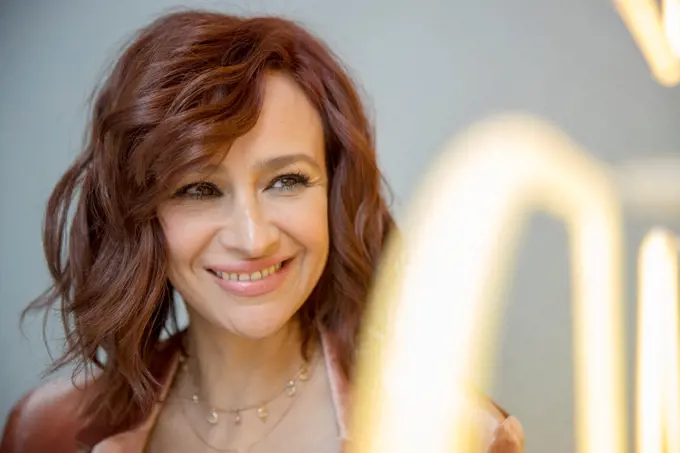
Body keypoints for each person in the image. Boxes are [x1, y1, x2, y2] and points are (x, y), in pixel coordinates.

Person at [0, 10, 524, 453]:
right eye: (198, 189)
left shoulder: (458, 436)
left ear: (334, 194)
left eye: (287, 180)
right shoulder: (47, 431)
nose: (253, 239)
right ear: (139, 213)